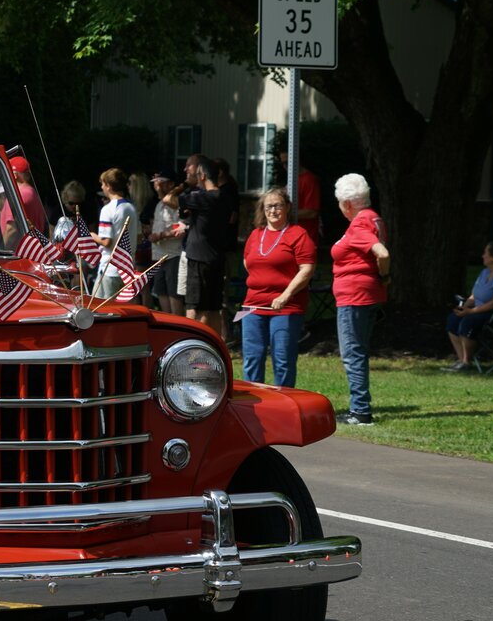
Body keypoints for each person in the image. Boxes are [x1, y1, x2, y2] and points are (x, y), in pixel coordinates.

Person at [330, 173, 390, 425]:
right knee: (359, 352)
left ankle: (360, 411)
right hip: (365, 293)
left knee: (352, 353)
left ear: (347, 204)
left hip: (354, 296)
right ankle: (360, 407)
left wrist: (384, 274)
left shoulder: (359, 225)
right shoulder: (373, 218)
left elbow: (382, 253)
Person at [240, 188, 316, 386]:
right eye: (268, 206)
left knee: (282, 360)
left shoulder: (298, 234)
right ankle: (254, 405)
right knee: (252, 358)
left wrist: (285, 295)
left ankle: (283, 406)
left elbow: (306, 270)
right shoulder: (256, 235)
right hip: (253, 306)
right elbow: (248, 263)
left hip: (286, 308)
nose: (272, 210)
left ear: (287, 208)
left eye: (277, 205)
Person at [164, 154, 236, 337]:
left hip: (199, 260)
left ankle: (198, 348)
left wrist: (186, 185)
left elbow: (168, 199)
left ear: (202, 176)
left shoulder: (202, 198)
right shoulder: (225, 197)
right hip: (216, 257)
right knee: (213, 308)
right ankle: (215, 345)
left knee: (198, 310)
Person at [444, 241, 493, 372]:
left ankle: (466, 362)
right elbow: (474, 296)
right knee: (453, 319)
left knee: (470, 321)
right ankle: (461, 360)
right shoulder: (485, 272)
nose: (482, 256)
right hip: (482, 312)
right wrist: (464, 307)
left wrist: (470, 312)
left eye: (485, 253)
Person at [94, 168, 139, 299]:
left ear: (108, 186)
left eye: (103, 184)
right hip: (128, 268)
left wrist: (91, 235)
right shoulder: (132, 207)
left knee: (103, 311)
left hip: (110, 268)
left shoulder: (107, 209)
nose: (102, 187)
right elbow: (139, 237)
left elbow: (106, 242)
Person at [148, 171, 186, 314]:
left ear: (171, 184)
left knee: (174, 294)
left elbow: (182, 226)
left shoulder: (177, 203)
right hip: (157, 256)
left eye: (161, 181)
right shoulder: (159, 204)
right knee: (161, 292)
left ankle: (178, 327)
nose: (156, 185)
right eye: (155, 182)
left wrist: (162, 235)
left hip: (173, 255)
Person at [275, 144, 321, 248]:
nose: (285, 166)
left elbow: (312, 212)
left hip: (305, 238)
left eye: (287, 162)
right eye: (282, 163)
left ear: (297, 159)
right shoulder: (292, 178)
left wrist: (283, 214)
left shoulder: (309, 180)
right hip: (291, 236)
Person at [0, 156, 45, 240]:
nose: (2, 177)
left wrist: (0, 250)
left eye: (5, 173)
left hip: (17, 252)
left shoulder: (19, 194)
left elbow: (11, 230)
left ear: (15, 175)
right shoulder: (31, 192)